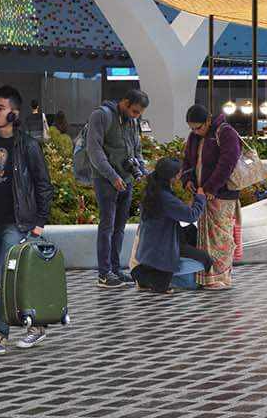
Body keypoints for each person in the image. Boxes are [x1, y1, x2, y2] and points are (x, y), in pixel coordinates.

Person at [0, 85, 52, 356]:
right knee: (12, 280)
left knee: (4, 279)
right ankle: (38, 326)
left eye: (0, 108)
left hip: (18, 222)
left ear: (14, 114)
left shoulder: (28, 145)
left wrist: (40, 221)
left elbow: (43, 184)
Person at [76, 87, 150, 289]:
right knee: (107, 226)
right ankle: (104, 273)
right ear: (125, 102)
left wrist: (141, 171)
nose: (136, 116)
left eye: (139, 114)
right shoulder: (101, 116)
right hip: (106, 180)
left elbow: (136, 148)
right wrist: (112, 176)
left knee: (119, 228)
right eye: (134, 111)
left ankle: (116, 270)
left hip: (127, 180)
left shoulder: (132, 121)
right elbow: (94, 149)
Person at [179, 103, 242, 291]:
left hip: (222, 195)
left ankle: (221, 277)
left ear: (207, 121)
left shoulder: (225, 133)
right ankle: (207, 277)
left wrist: (210, 187)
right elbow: (188, 161)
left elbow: (227, 164)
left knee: (220, 236)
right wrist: (187, 179)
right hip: (202, 193)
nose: (196, 132)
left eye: (198, 127)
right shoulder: (193, 137)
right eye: (192, 128)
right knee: (206, 237)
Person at [131, 157, 210, 294]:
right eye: (179, 173)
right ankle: (148, 275)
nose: (180, 176)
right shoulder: (165, 197)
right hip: (164, 248)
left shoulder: (154, 190)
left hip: (154, 246)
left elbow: (176, 211)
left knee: (192, 233)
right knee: (206, 260)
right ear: (172, 177)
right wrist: (200, 197)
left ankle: (152, 274)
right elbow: (191, 216)